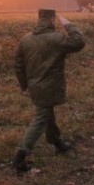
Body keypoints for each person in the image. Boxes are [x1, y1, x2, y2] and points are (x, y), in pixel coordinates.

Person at [12, 9, 86, 173]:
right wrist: (69, 25)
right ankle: (21, 156)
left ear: (39, 19)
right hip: (50, 86)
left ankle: (57, 142)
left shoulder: (26, 40)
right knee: (41, 118)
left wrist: (25, 84)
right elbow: (79, 42)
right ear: (52, 19)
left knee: (47, 113)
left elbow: (18, 65)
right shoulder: (57, 38)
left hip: (34, 86)